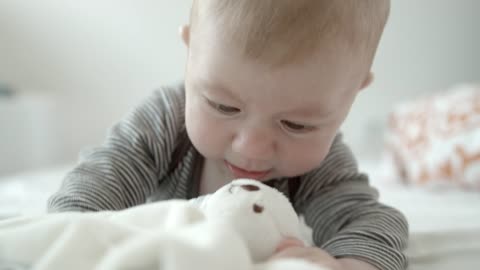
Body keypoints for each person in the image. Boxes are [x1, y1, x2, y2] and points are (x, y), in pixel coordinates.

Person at [48, 1, 408, 269]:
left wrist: (346, 264)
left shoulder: (322, 163)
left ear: (352, 94)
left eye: (296, 125)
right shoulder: (163, 125)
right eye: (223, 106)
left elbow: (371, 223)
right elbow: (87, 194)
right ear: (190, 53)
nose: (251, 148)